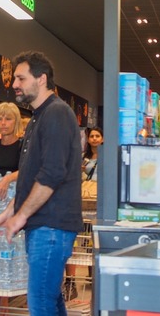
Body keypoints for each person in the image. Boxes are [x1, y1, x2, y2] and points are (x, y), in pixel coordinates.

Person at [0, 51, 82, 316]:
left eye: (21, 78)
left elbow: (52, 174)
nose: (14, 84)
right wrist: (9, 212)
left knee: (40, 302)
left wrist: (21, 217)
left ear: (41, 79)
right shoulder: (39, 117)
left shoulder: (57, 114)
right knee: (49, 301)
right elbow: (31, 176)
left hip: (52, 227)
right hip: (43, 226)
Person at [63, 126, 103, 300]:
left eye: (97, 136)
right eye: (91, 136)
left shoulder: (107, 157)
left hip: (98, 203)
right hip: (82, 202)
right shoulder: (83, 158)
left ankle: (95, 279)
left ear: (102, 138)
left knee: (94, 243)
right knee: (79, 242)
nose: (94, 139)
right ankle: (71, 283)